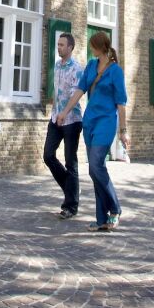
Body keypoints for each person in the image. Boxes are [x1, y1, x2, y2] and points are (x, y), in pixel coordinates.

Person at [57, 30, 129, 231]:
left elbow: (121, 103)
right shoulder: (91, 66)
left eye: (92, 45)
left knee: (96, 166)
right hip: (89, 122)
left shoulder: (116, 71)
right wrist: (64, 112)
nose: (90, 49)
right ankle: (101, 219)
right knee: (95, 170)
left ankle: (115, 208)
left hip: (106, 122)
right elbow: (79, 91)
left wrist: (123, 130)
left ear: (100, 47)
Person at [44, 31, 84, 219]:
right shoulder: (57, 66)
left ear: (70, 47)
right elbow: (57, 93)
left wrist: (64, 113)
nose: (58, 47)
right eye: (58, 44)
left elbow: (77, 95)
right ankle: (71, 188)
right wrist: (55, 113)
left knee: (70, 161)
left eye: (62, 45)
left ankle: (71, 205)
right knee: (48, 155)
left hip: (71, 120)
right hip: (55, 118)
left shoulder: (77, 68)